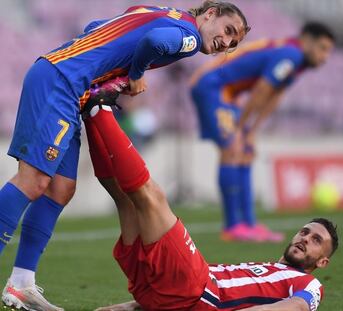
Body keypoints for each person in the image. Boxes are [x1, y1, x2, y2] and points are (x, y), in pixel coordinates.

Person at [0, 2, 249, 310]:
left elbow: (95, 26)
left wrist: (97, 64)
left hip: (68, 84)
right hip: (60, 81)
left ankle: (22, 283)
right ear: (209, 13)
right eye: (227, 31)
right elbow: (153, 42)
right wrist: (136, 73)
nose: (225, 43)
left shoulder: (155, 10)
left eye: (233, 43)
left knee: (60, 188)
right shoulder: (190, 37)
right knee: (34, 180)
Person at [79, 102, 339, 311]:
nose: (305, 238)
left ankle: (99, 109)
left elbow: (295, 306)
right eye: (305, 232)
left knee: (151, 197)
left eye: (316, 240)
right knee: (124, 200)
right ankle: (91, 118)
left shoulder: (310, 284)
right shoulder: (269, 269)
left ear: (323, 261)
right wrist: (132, 306)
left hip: (196, 288)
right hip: (162, 295)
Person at [190, 22, 335, 242]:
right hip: (213, 86)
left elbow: (275, 95)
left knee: (246, 150)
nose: (325, 58)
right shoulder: (291, 54)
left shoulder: (296, 60)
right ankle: (232, 226)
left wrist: (252, 131)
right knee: (232, 148)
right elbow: (261, 90)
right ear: (307, 40)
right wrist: (241, 128)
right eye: (323, 48)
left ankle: (249, 224)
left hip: (228, 91)